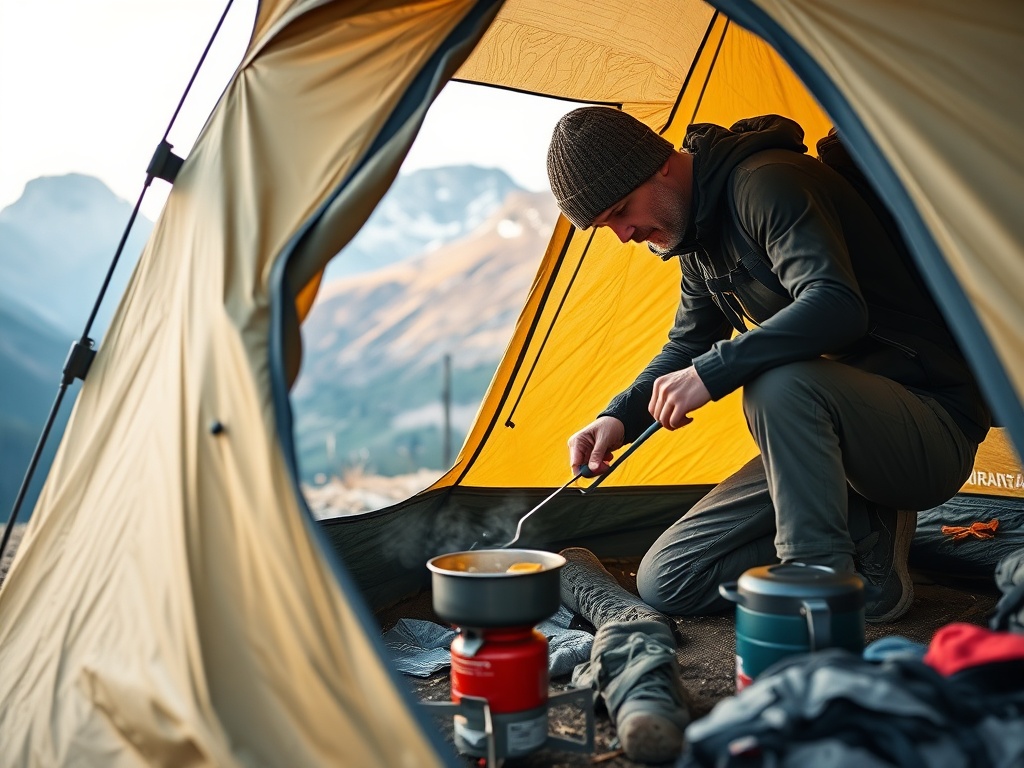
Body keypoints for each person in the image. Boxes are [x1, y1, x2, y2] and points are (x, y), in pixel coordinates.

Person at [544, 107, 991, 761]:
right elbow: (688, 342)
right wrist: (618, 416)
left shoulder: (769, 183)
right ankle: (870, 561)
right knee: (668, 581)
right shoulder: (696, 235)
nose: (622, 234)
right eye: (606, 225)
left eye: (620, 210)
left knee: (777, 383)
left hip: (928, 426)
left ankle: (819, 591)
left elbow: (836, 303)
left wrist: (716, 373)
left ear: (661, 166)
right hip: (829, 434)